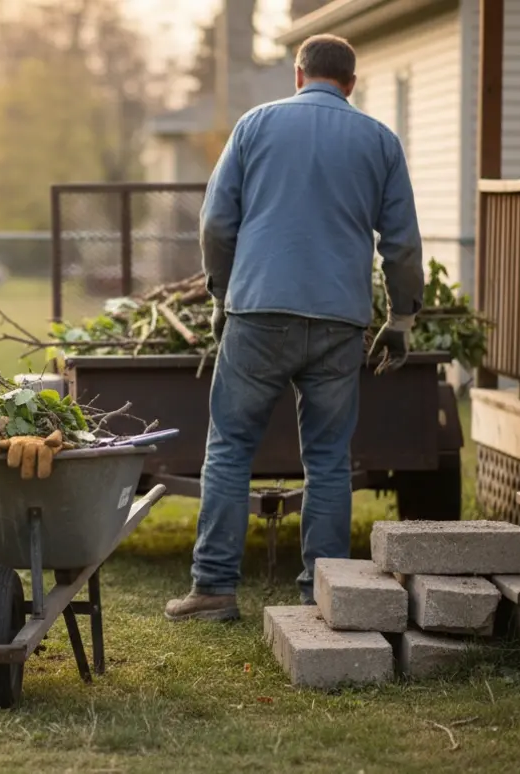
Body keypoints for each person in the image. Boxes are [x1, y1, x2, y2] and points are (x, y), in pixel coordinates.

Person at [164, 34, 424, 621]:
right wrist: (401, 317)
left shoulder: (255, 125)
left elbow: (215, 223)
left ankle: (213, 589)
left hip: (258, 312)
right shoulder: (380, 141)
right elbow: (403, 245)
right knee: (328, 459)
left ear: (299, 74)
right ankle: (323, 595)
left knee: (230, 448)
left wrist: (221, 294)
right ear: (350, 84)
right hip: (339, 320)